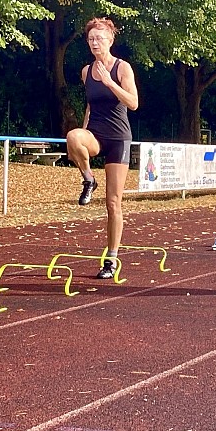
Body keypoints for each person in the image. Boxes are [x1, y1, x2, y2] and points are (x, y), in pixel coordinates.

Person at [65, 17, 139, 279]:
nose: (95, 43)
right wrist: (85, 129)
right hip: (95, 134)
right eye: (91, 39)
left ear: (110, 40)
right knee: (73, 136)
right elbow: (90, 104)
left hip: (118, 138)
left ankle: (111, 259)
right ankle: (88, 179)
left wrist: (110, 82)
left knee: (113, 204)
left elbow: (133, 103)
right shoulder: (86, 71)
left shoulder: (122, 68)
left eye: (99, 38)